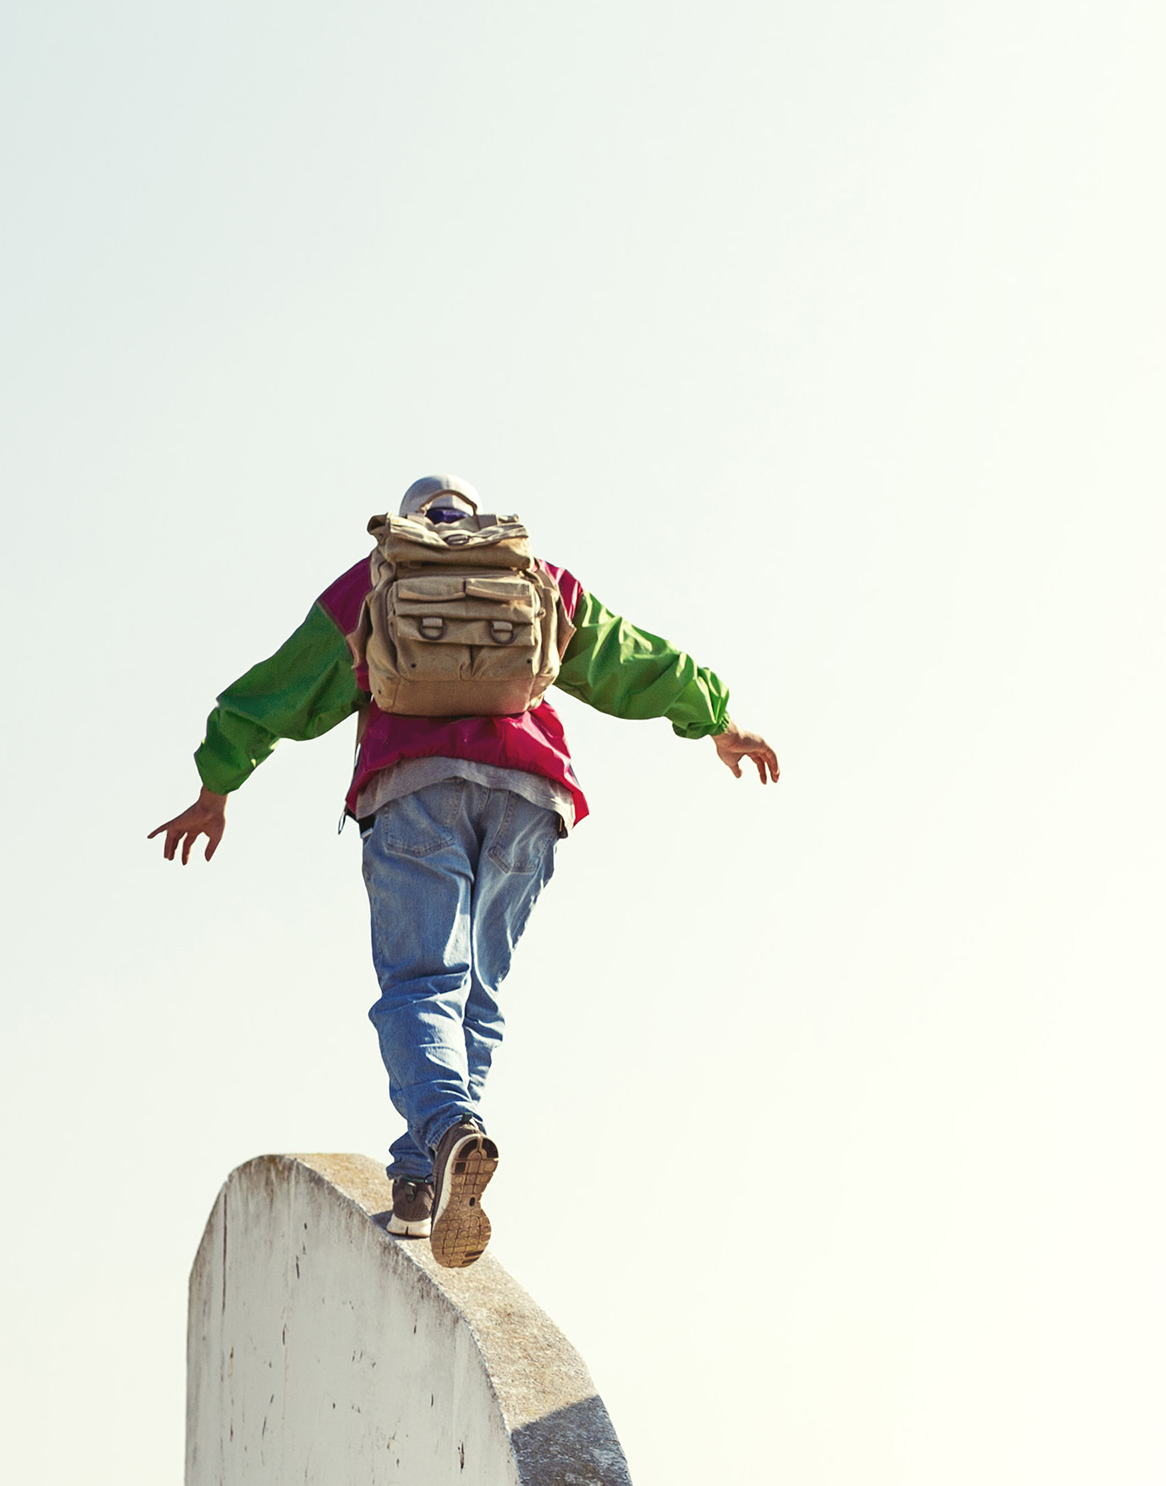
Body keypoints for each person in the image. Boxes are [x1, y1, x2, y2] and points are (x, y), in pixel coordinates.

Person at [152, 475, 778, 1268]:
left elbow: (281, 689)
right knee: (475, 992)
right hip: (529, 797)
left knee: (422, 985)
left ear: (411, 523)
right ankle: (422, 1182)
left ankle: (446, 1130)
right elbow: (631, 659)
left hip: (413, 790)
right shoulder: (533, 578)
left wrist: (216, 784)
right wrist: (715, 720)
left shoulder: (376, 582)